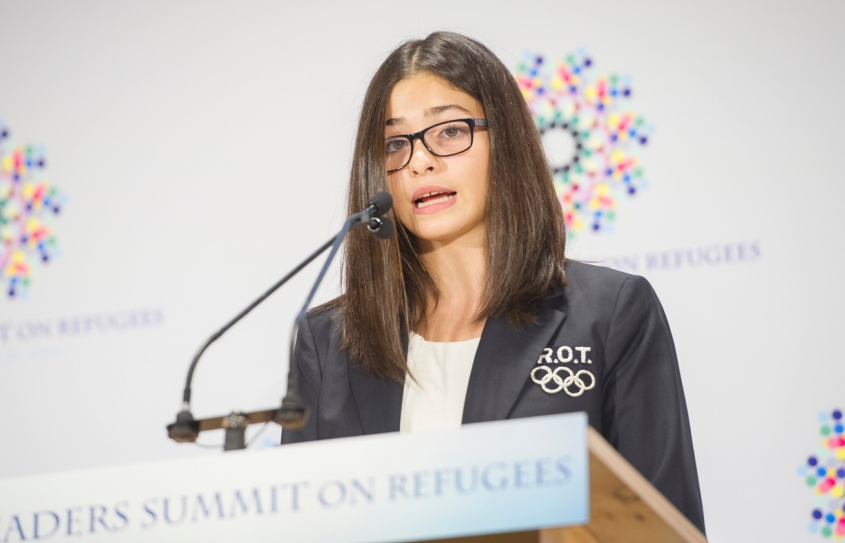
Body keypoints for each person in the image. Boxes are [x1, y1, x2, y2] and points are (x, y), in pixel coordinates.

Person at [280, 31, 705, 532]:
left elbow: (663, 526)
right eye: (396, 143)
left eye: (449, 132)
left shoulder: (609, 315)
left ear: (504, 141)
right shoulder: (327, 343)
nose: (420, 160)